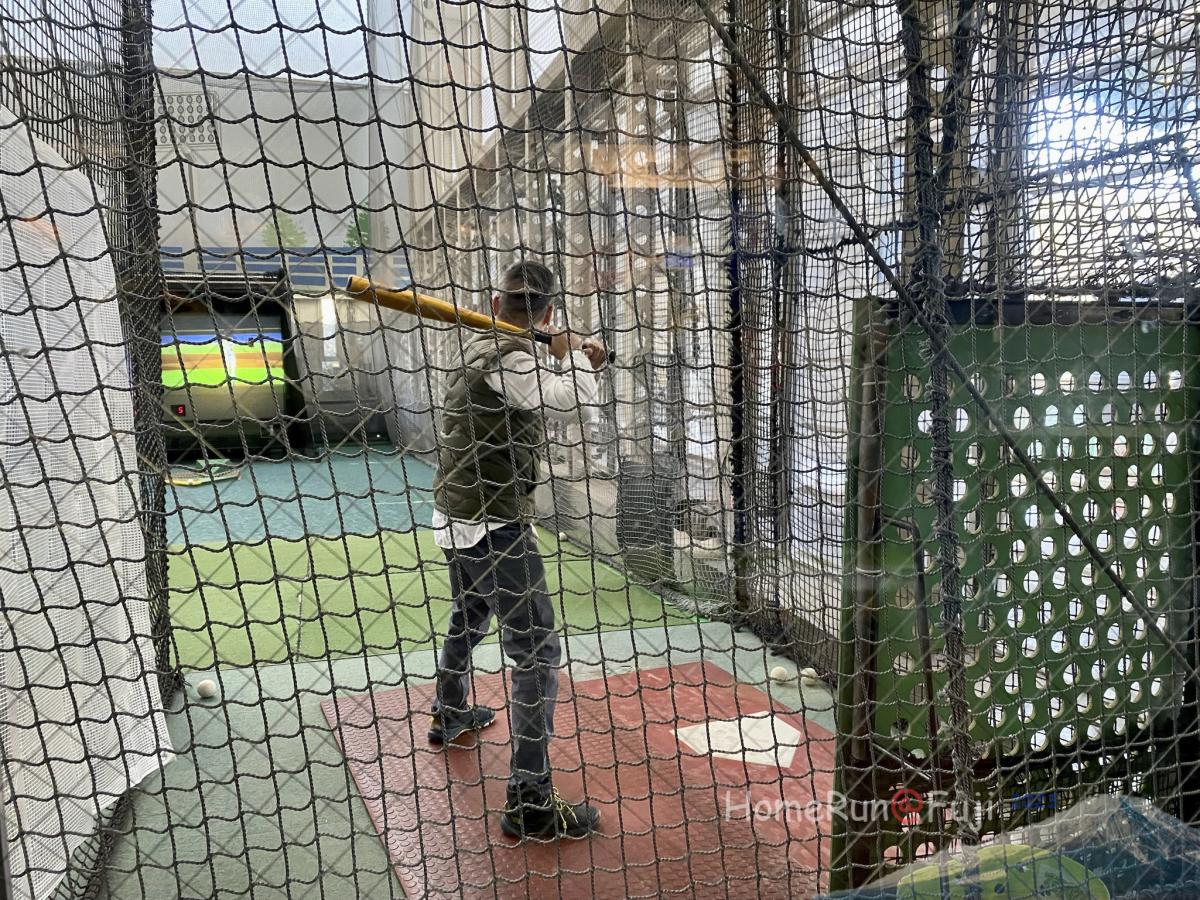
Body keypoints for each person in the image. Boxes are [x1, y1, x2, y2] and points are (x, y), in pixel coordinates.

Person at [429, 259, 607, 841]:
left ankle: (450, 709)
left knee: (470, 612)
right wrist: (575, 356)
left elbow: (537, 392)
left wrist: (566, 355)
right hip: (493, 525)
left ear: (495, 303)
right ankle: (529, 798)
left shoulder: (482, 345)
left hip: (456, 516)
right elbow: (568, 402)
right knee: (536, 652)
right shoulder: (512, 357)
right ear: (548, 312)